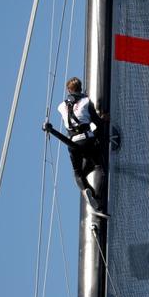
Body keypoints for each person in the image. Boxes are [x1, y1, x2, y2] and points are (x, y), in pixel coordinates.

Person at [42, 77, 106, 211]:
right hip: (87, 139)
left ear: (68, 90)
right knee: (100, 166)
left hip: (73, 144)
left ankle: (89, 191)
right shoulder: (87, 102)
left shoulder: (61, 106)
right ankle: (98, 198)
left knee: (78, 173)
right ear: (81, 87)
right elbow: (97, 122)